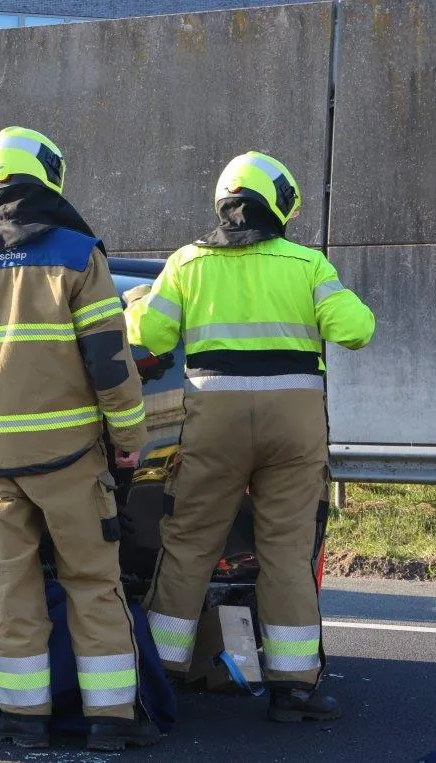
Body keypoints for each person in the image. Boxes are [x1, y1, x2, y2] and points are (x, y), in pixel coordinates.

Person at [0, 127, 161, 752]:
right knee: (91, 583)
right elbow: (110, 364)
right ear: (48, 176)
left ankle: (21, 720)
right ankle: (111, 722)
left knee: (8, 590)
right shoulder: (78, 256)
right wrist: (128, 438)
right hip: (70, 461)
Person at [126, 151, 375, 723]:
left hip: (213, 420)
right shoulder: (306, 264)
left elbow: (149, 336)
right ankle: (294, 690)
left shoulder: (188, 264)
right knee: (286, 552)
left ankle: (158, 681)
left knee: (189, 545)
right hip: (294, 426)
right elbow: (356, 330)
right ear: (279, 205)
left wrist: (141, 302)